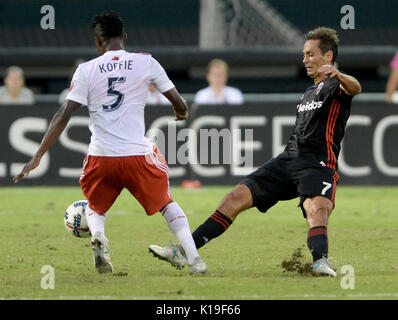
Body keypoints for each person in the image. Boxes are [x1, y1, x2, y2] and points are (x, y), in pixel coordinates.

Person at [149, 27, 361, 277]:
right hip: (288, 160)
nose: (304, 59)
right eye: (303, 54)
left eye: (310, 54)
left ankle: (320, 261)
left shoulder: (337, 86)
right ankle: (184, 251)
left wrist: (338, 74)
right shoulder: (308, 92)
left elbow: (356, 88)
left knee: (316, 209)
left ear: (328, 56)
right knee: (234, 198)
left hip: (317, 164)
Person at [13, 11, 207, 275]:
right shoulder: (146, 62)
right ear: (124, 37)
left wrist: (37, 155)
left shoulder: (86, 70)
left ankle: (99, 238)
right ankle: (195, 260)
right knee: (166, 203)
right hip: (138, 156)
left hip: (102, 157)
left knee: (94, 205)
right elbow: (179, 102)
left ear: (97, 41)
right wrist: (181, 113)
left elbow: (64, 113)